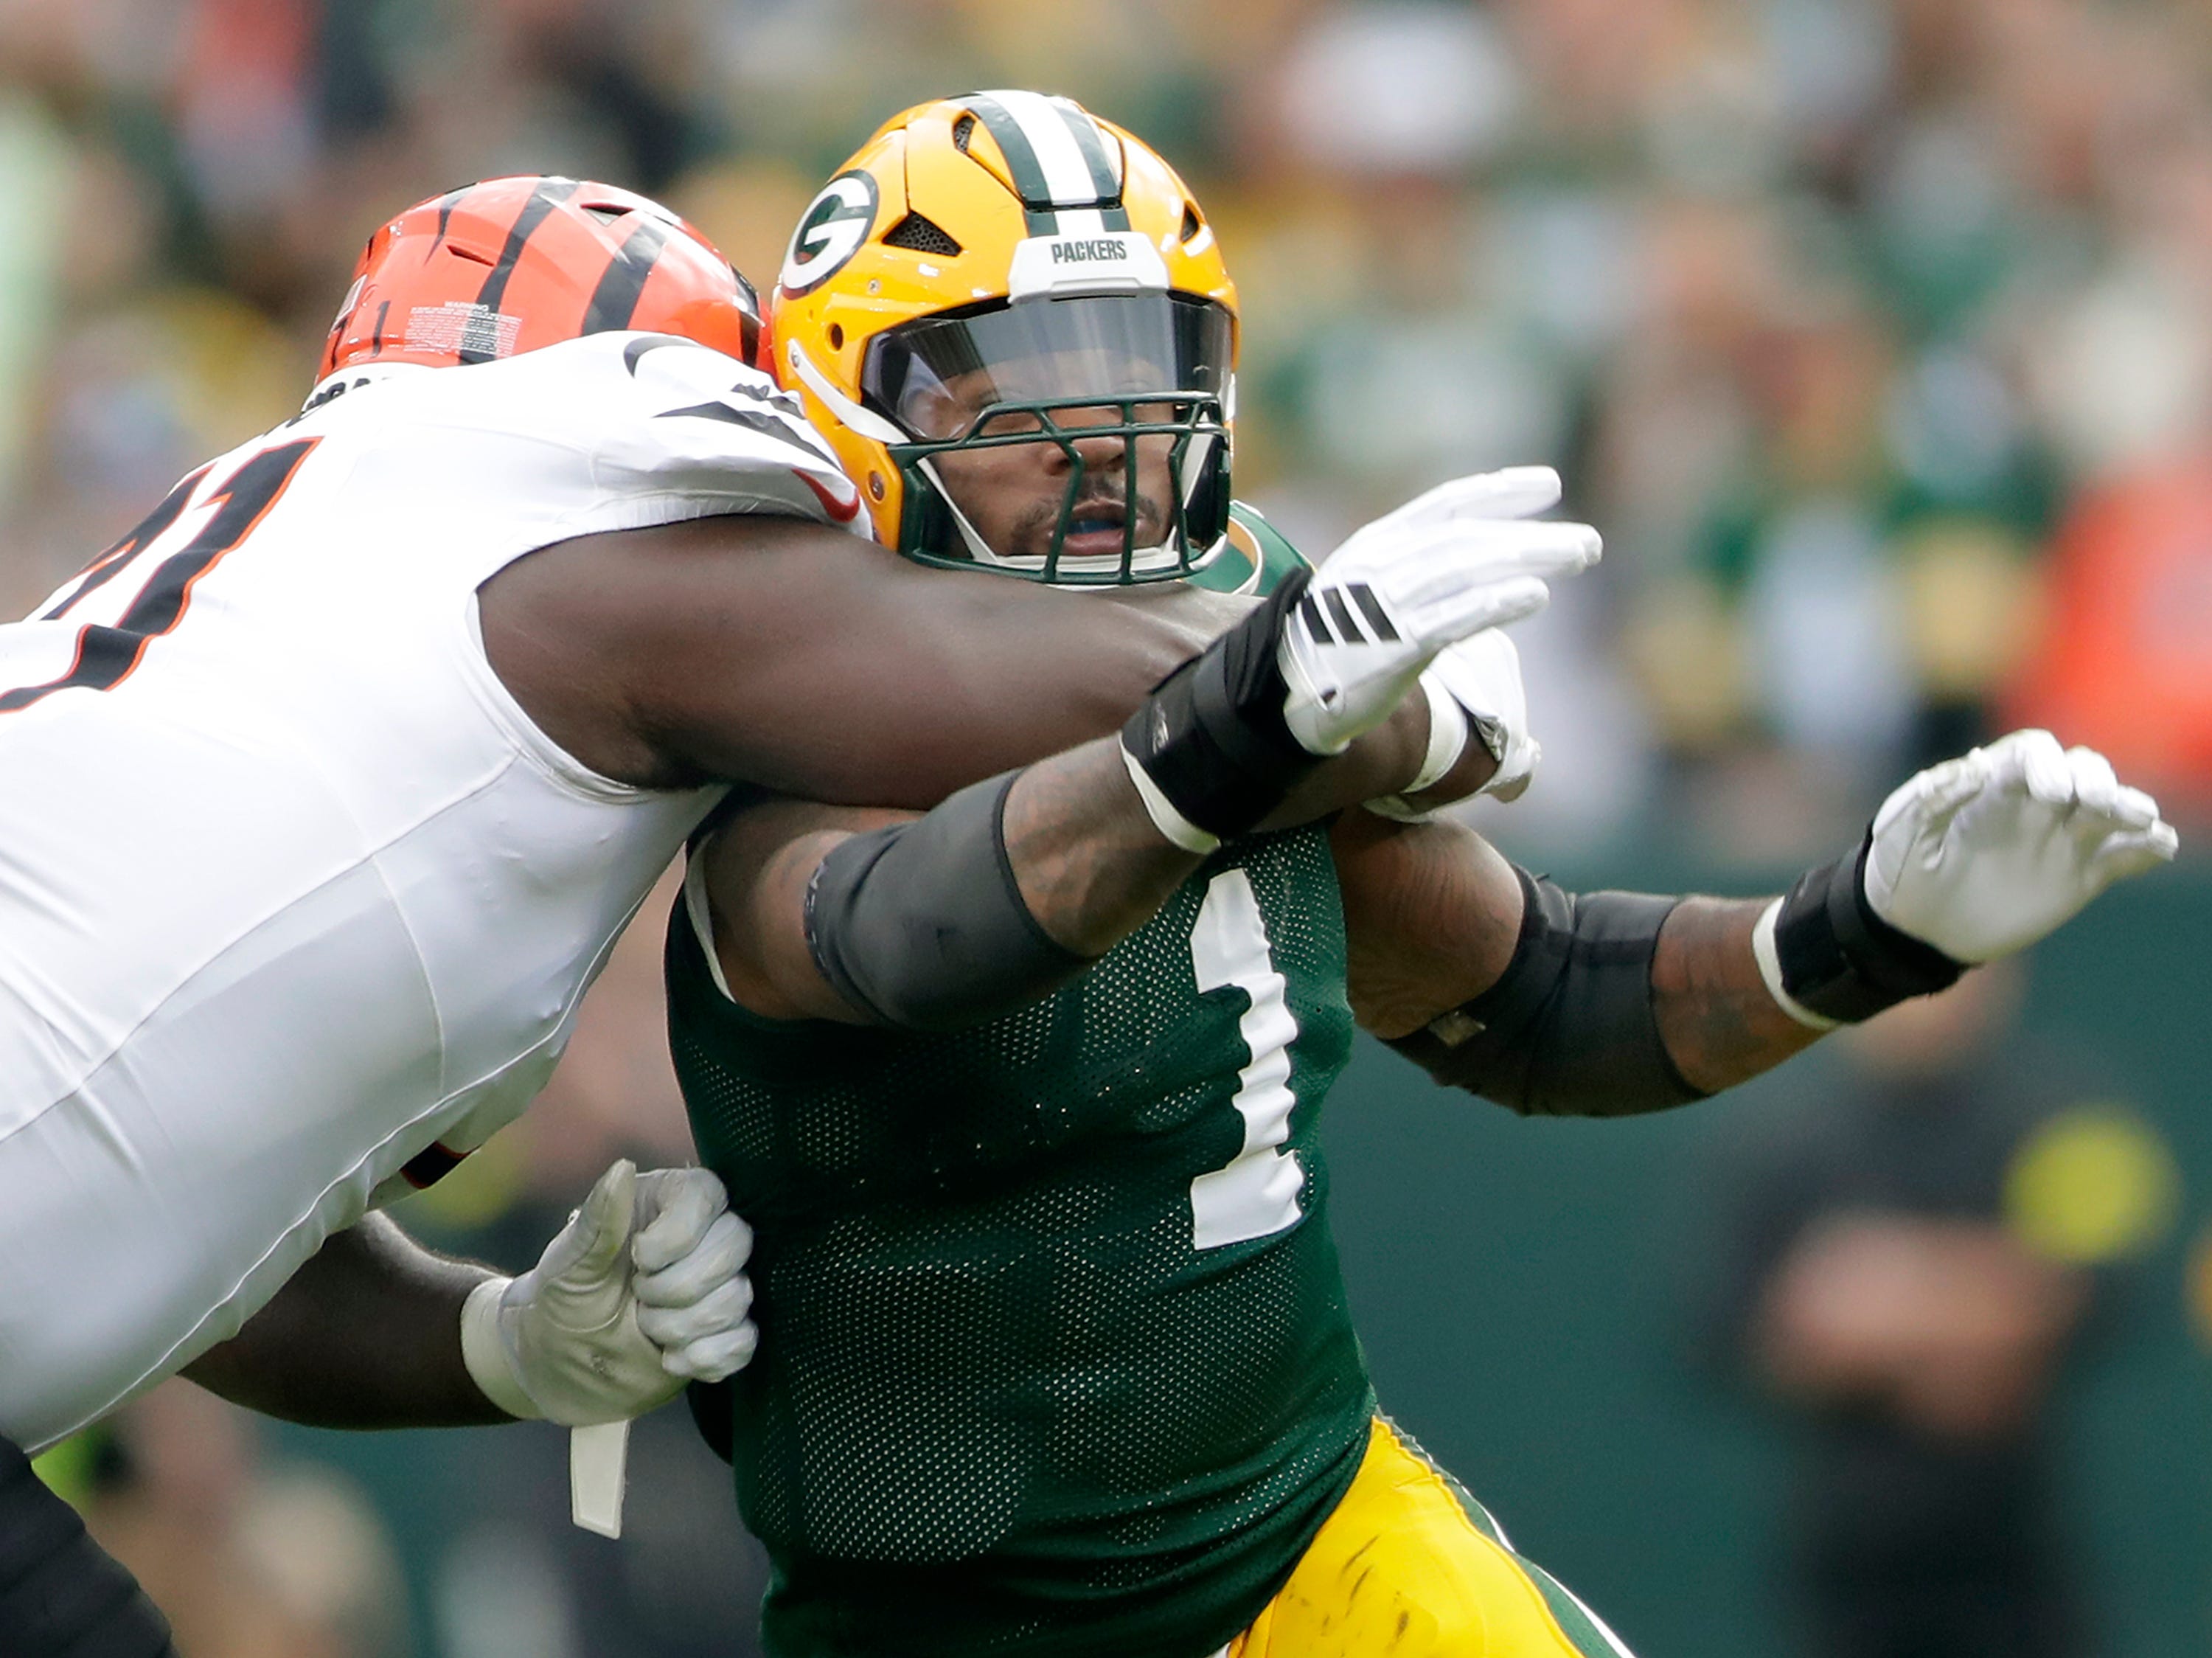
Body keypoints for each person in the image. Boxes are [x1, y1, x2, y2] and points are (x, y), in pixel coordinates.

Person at [669, 93, 2180, 1658]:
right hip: (951, 1626)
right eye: (1021, 386)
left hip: (1311, 1534)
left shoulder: (1240, 657)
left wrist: (1869, 929)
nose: (1103, 440)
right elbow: (916, 931)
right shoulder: (797, 725)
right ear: (854, 401)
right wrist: (1246, 726)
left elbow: (1543, 997)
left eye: (1144, 362)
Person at [0, 173, 1533, 1654]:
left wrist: (504, 1341)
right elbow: (1022, 680)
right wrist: (1392, 697)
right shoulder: (559, 529)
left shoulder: (302, 656)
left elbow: (193, 1237)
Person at [1683, 963, 2154, 1658]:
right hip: (1848, 1561)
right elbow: (1717, 1324)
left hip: (2017, 1553)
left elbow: (2110, 1283)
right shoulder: (1779, 1137)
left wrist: (1896, 1303)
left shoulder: (2063, 1115)